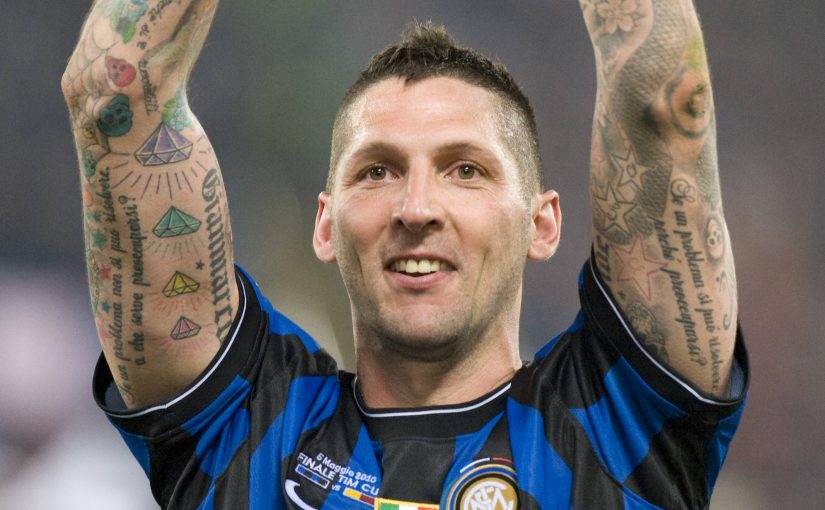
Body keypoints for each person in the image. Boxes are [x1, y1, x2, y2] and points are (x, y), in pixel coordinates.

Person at [61, 0, 748, 508]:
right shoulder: (243, 423)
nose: (416, 208)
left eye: (466, 170)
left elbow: (661, 97)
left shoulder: (622, 419)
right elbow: (116, 94)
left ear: (541, 225)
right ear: (326, 226)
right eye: (377, 171)